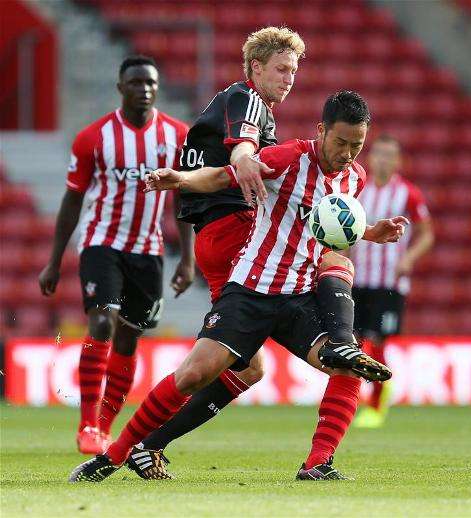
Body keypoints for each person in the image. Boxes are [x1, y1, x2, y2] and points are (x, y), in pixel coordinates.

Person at [69, 91, 408, 483]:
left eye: (357, 146)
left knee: (347, 366)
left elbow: (326, 223)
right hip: (250, 290)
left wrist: (369, 231)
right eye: (341, 143)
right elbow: (219, 177)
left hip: (298, 297)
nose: (347, 153)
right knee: (194, 375)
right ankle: (113, 456)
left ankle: (317, 464)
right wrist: (179, 178)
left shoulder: (355, 178)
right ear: (321, 131)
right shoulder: (287, 158)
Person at [111, 27, 363, 476]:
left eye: (294, 70)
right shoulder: (247, 100)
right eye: (281, 69)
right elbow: (242, 155)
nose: (289, 79)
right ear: (255, 68)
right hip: (234, 229)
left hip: (214, 232)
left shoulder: (251, 108)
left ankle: (144, 446)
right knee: (329, 257)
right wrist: (244, 157)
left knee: (247, 370)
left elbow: (216, 171)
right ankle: (342, 343)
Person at [38, 55, 194, 454]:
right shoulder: (94, 137)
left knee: (129, 337)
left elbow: (182, 201)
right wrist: (55, 260)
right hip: (101, 242)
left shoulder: (177, 135)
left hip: (148, 250)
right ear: (121, 87)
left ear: (157, 88)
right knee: (103, 321)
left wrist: (188, 259)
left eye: (151, 83)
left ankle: (104, 426)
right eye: (136, 82)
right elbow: (72, 199)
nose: (144, 89)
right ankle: (88, 423)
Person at [351, 134, 434, 428]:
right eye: (379, 154)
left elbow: (427, 233)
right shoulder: (359, 190)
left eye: (390, 155)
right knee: (355, 341)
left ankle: (377, 402)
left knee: (376, 340)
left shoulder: (408, 194)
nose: (383, 160)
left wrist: (409, 258)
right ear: (370, 158)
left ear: (398, 161)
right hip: (358, 280)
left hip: (389, 282)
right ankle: (356, 398)